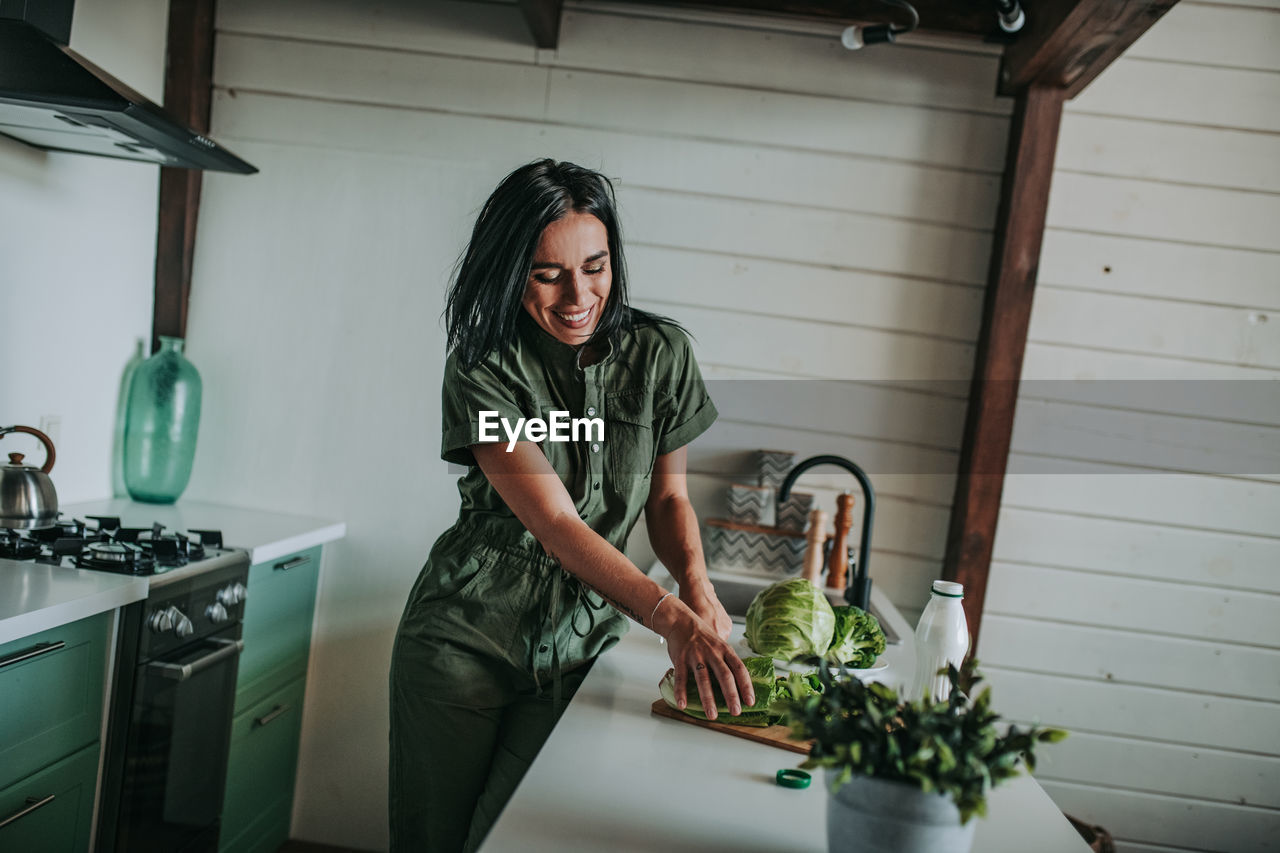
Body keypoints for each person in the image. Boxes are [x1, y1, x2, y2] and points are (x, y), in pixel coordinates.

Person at [388, 159, 754, 853]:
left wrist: (698, 588)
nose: (578, 295)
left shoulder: (661, 354)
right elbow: (555, 522)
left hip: (581, 648)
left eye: (596, 265)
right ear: (509, 271)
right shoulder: (483, 362)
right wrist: (668, 614)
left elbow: (668, 496)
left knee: (518, 840)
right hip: (463, 639)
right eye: (546, 273)